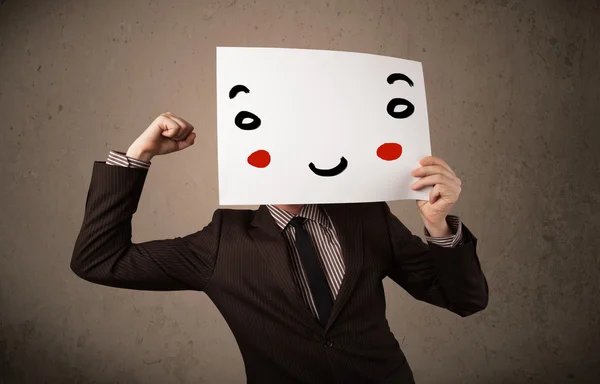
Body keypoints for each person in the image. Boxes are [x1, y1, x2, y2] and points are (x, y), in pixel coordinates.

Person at [71, 112, 488, 384]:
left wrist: (438, 228)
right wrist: (137, 155)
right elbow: (99, 260)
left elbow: (464, 299)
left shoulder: (367, 216)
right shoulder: (223, 241)